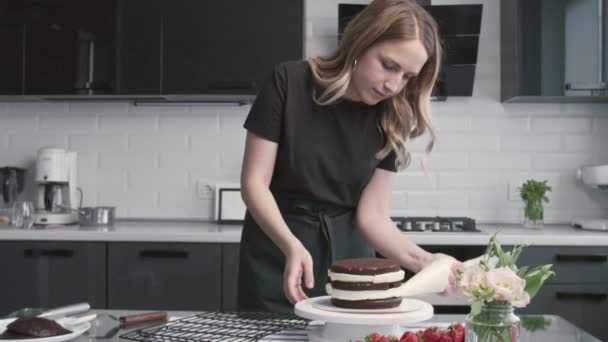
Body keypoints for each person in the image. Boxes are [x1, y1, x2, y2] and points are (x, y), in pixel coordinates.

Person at [238, 0, 459, 313]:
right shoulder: (288, 82)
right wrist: (291, 245)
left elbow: (373, 218)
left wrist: (427, 261)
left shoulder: (393, 117)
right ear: (361, 42)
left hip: (354, 266)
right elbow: (254, 183)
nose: (394, 85)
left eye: (408, 77)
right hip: (278, 252)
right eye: (389, 66)